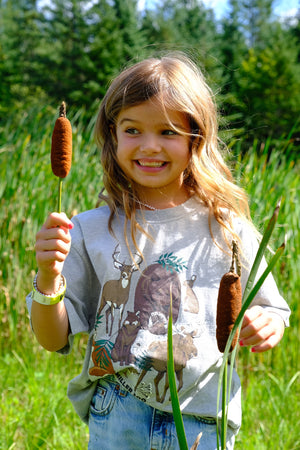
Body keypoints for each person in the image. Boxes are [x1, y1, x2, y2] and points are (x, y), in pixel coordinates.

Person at [27, 53, 290, 450]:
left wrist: (268, 323)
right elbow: (52, 338)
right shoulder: (89, 229)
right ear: (113, 134)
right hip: (119, 411)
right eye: (133, 130)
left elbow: (273, 308)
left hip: (204, 414)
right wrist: (48, 276)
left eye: (167, 132)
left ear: (195, 138)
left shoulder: (227, 228)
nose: (149, 146)